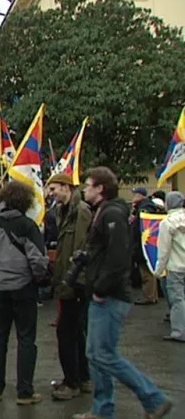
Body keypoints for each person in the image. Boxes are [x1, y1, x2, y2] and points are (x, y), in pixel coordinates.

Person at [73, 167, 172, 419]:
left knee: (102, 354)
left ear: (100, 188)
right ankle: (102, 409)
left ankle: (154, 399)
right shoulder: (105, 212)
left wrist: (101, 288)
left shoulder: (112, 213)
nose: (84, 189)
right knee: (96, 355)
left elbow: (118, 258)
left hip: (110, 296)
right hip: (105, 293)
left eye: (88, 184)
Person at [0, 181, 49, 406]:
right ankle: (24, 391)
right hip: (24, 288)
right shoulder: (28, 226)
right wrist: (39, 279)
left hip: (0, 288)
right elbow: (37, 259)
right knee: (26, 340)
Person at [46, 173, 94, 400]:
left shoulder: (80, 211)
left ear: (66, 187)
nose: (51, 194)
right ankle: (83, 377)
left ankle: (72, 382)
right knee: (75, 332)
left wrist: (76, 281)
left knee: (66, 332)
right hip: (67, 279)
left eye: (54, 189)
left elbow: (82, 248)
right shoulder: (63, 211)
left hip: (75, 282)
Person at [155, 191, 185, 342]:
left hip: (176, 267)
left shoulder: (167, 223)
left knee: (177, 300)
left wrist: (158, 270)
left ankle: (179, 332)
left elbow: (164, 250)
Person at [130, 187, 163, 305]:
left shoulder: (145, 208)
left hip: (143, 243)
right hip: (141, 243)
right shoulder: (143, 207)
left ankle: (150, 296)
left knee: (146, 273)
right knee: (145, 271)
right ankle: (151, 295)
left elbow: (143, 227)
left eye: (135, 194)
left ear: (140, 195)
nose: (133, 197)